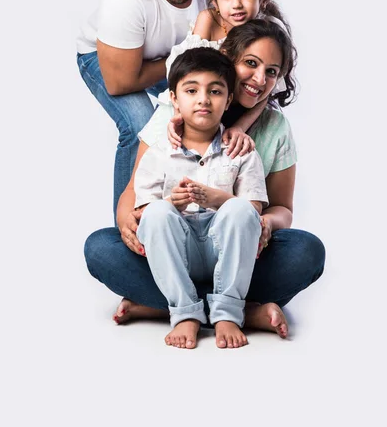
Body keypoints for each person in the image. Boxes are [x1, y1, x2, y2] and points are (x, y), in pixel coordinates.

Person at [84, 20, 326, 348]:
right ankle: (226, 311)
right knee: (100, 248)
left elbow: (271, 209)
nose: (259, 79)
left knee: (307, 251)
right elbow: (137, 197)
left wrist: (262, 222)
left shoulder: (260, 139)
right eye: (251, 64)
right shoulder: (169, 122)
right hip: (172, 246)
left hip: (240, 251)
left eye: (272, 71)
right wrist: (133, 220)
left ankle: (177, 308)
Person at [76, 0, 216, 216]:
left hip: (179, 60)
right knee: (142, 126)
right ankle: (128, 226)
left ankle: (193, 221)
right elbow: (120, 81)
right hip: (111, 61)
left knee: (208, 116)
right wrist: (181, 60)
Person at [134, 48, 268, 349]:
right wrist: (172, 203)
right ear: (174, 99)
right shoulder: (158, 153)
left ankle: (227, 312)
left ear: (229, 100)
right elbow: (143, 216)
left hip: (227, 252)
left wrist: (216, 199)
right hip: (178, 255)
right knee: (149, 218)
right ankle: (185, 312)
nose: (203, 99)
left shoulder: (243, 151)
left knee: (241, 211)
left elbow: (253, 214)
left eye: (215, 91)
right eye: (191, 90)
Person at [157, 0, 291, 147]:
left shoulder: (268, 30)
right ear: (214, 0)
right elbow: (188, 72)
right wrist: (179, 116)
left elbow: (267, 89)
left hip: (238, 103)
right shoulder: (209, 20)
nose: (236, 5)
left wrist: (240, 127)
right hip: (193, 92)